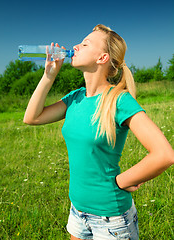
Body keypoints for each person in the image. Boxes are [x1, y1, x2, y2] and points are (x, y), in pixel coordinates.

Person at [23, 24, 174, 240]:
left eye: (85, 43)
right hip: (77, 210)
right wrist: (49, 75)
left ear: (102, 58)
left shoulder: (119, 100)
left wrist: (122, 181)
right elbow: (32, 118)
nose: (76, 46)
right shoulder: (75, 98)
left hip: (111, 219)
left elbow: (164, 154)